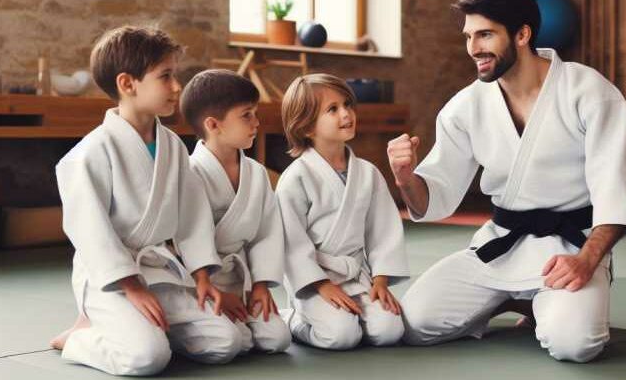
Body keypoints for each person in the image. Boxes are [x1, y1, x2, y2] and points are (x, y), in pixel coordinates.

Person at [388, 0, 626, 363]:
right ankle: (510, 299)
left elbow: (614, 192)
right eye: (469, 36)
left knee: (574, 344)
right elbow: (435, 195)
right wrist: (406, 179)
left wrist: (588, 261)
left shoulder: (590, 93)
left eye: (485, 35)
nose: (473, 48)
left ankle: (540, 301)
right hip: (500, 246)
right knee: (414, 323)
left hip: (569, 247)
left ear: (522, 34)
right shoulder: (465, 106)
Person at [50, 26, 242, 375]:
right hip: (113, 279)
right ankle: (81, 337)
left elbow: (192, 216)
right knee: (146, 358)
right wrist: (131, 286)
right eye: (165, 76)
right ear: (127, 84)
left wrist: (201, 275)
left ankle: (145, 331)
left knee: (227, 341)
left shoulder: (171, 146)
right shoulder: (90, 154)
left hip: (161, 271)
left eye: (175, 75)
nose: (177, 86)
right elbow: (90, 232)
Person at [277, 73, 410, 350]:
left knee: (389, 330)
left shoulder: (368, 173)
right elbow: (291, 242)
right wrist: (321, 285)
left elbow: (382, 231)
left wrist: (381, 280)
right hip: (314, 281)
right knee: (341, 336)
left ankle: (352, 316)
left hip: (356, 277)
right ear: (306, 127)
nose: (346, 114)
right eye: (332, 109)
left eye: (347, 104)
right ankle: (293, 320)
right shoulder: (296, 177)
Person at [182, 69, 291, 354]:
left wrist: (260, 285)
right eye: (247, 115)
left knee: (277, 339)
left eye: (255, 113)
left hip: (241, 281)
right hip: (200, 283)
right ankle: (177, 328)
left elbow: (267, 233)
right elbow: (187, 239)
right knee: (233, 343)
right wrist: (209, 285)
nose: (257, 122)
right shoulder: (190, 174)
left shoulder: (256, 173)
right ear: (213, 124)